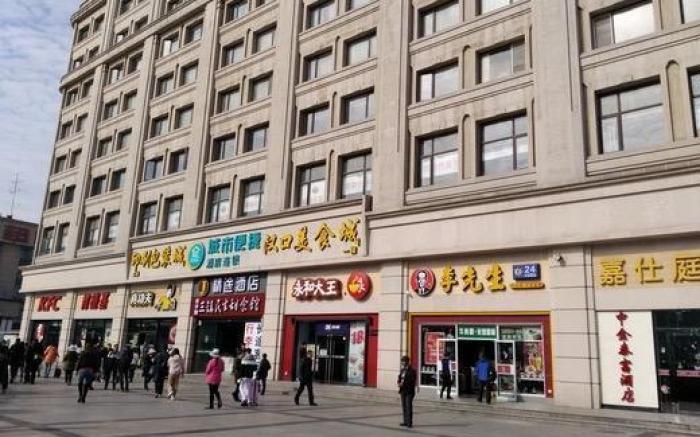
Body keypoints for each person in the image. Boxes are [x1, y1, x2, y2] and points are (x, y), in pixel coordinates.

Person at [398, 355, 417, 428]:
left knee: (408, 406)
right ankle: (405, 421)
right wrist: (399, 383)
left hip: (409, 391)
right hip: (403, 391)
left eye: (404, 361)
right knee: (404, 407)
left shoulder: (412, 371)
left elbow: (412, 381)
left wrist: (403, 384)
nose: (403, 363)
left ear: (407, 362)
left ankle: (409, 422)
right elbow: (399, 378)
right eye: (402, 361)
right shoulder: (402, 370)